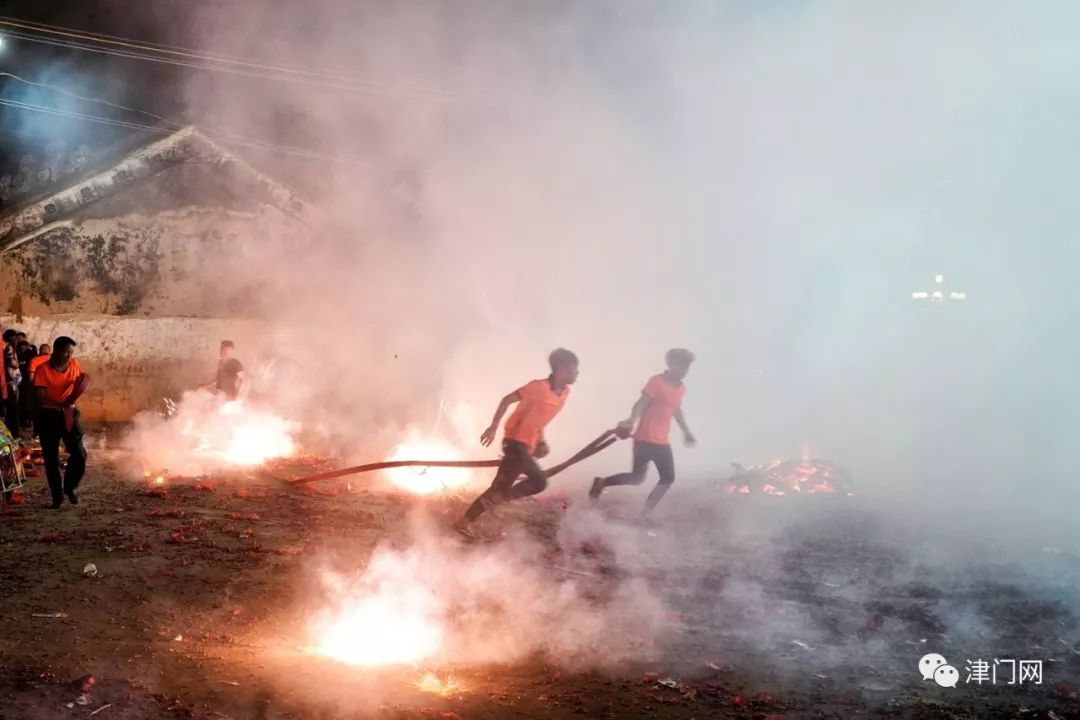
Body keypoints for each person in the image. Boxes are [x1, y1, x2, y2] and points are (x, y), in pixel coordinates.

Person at [456, 348, 579, 536]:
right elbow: (507, 400)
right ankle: (494, 504)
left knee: (500, 488)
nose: (576, 374)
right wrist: (493, 427)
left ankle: (468, 519)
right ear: (561, 369)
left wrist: (541, 441)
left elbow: (538, 419)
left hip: (527, 445)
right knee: (539, 482)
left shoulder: (564, 393)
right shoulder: (538, 387)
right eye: (573, 369)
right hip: (515, 442)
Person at [590, 348, 697, 520]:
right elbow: (640, 403)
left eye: (687, 366)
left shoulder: (681, 388)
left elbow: (676, 410)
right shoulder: (656, 381)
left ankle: (641, 514)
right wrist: (632, 420)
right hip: (644, 440)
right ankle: (602, 484)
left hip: (662, 441)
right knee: (638, 478)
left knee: (665, 479)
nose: (684, 369)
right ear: (671, 364)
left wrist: (686, 432)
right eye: (681, 365)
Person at [33, 336, 90, 508]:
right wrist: (61, 404)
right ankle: (57, 497)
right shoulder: (42, 369)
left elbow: (81, 380)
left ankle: (70, 487)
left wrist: (72, 398)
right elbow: (41, 398)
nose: (69, 356)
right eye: (66, 352)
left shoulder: (73, 364)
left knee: (79, 454)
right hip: (48, 415)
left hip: (69, 413)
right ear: (56, 351)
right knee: (51, 459)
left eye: (71, 353)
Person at [2, 329, 21, 434]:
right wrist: (17, 364)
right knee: (12, 406)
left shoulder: (6, 347)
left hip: (10, 380)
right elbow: (12, 363)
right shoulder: (9, 347)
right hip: (11, 380)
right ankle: (13, 431)